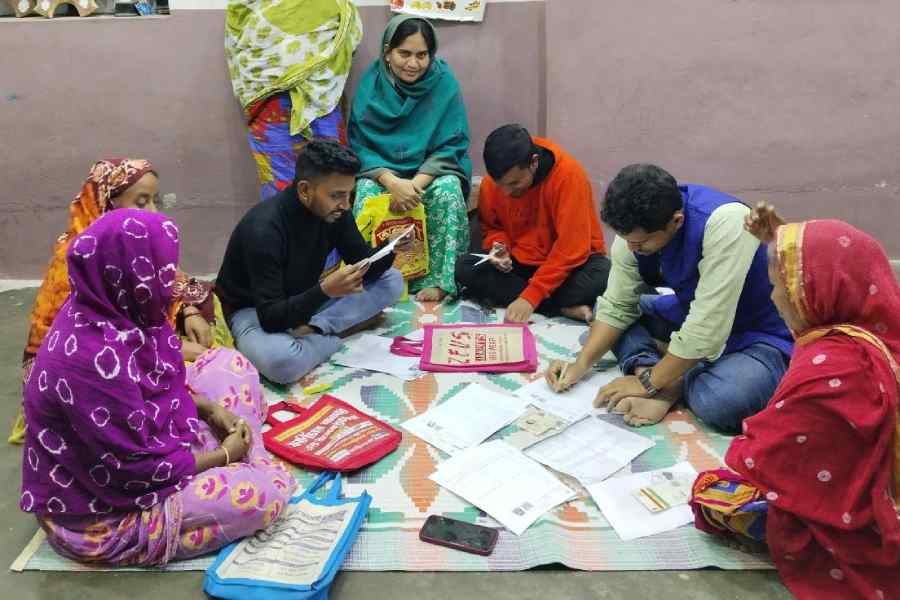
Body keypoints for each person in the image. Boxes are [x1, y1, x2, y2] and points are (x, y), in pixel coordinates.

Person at [20, 209, 296, 566]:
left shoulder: (118, 307)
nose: (170, 284)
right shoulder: (91, 361)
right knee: (256, 498)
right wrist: (223, 456)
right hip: (104, 510)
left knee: (229, 364)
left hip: (149, 445)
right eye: (161, 272)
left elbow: (160, 386)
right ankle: (247, 459)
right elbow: (135, 471)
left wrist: (210, 409)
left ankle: (246, 454)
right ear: (128, 274)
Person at [690, 205, 900, 600]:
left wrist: (744, 451)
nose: (773, 297)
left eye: (779, 287)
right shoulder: (879, 328)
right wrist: (781, 239)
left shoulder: (833, 369)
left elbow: (766, 458)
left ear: (814, 293)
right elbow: (826, 265)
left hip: (865, 519)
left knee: (714, 496)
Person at [546, 164, 793, 432]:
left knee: (724, 402)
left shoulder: (727, 222)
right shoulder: (635, 235)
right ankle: (650, 366)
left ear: (676, 221)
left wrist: (649, 384)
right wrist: (581, 364)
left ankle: (671, 384)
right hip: (688, 312)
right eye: (626, 239)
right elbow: (617, 306)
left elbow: (707, 329)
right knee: (602, 310)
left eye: (641, 243)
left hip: (757, 333)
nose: (631, 248)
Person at [10, 159, 229, 445]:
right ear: (108, 204)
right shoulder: (75, 261)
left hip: (140, 340)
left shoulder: (134, 242)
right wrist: (172, 348)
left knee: (208, 309)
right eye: (142, 202)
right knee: (201, 383)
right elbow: (94, 338)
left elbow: (166, 281)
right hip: (101, 363)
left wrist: (187, 311)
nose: (153, 212)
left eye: (156, 201)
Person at [216, 140, 404, 385]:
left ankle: (312, 331)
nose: (346, 205)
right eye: (337, 195)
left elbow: (363, 264)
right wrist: (325, 291)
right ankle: (340, 332)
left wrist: (391, 247)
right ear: (305, 190)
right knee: (283, 362)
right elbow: (271, 318)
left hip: (302, 300)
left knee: (392, 280)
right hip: (253, 310)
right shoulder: (263, 230)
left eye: (349, 194)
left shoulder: (336, 212)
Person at [348, 15, 471, 303]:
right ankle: (371, 279)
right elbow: (359, 145)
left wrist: (413, 186)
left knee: (449, 189)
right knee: (365, 191)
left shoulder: (444, 84)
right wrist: (392, 182)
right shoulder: (370, 86)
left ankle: (441, 282)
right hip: (382, 174)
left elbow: (452, 143)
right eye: (404, 53)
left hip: (428, 174)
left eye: (422, 55)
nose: (413, 64)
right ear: (387, 52)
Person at [455, 124, 610, 324]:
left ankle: (541, 303)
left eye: (514, 183)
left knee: (603, 275)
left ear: (534, 162)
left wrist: (530, 297)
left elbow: (572, 249)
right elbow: (493, 227)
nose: (506, 192)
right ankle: (561, 308)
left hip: (567, 266)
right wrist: (500, 249)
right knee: (464, 267)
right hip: (522, 263)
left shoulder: (569, 176)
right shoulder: (493, 182)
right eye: (500, 185)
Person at [226, 0, 363, 200]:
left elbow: (349, 35)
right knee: (280, 187)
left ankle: (329, 222)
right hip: (270, 98)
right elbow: (239, 22)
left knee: (335, 177)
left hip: (323, 96)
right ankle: (283, 221)